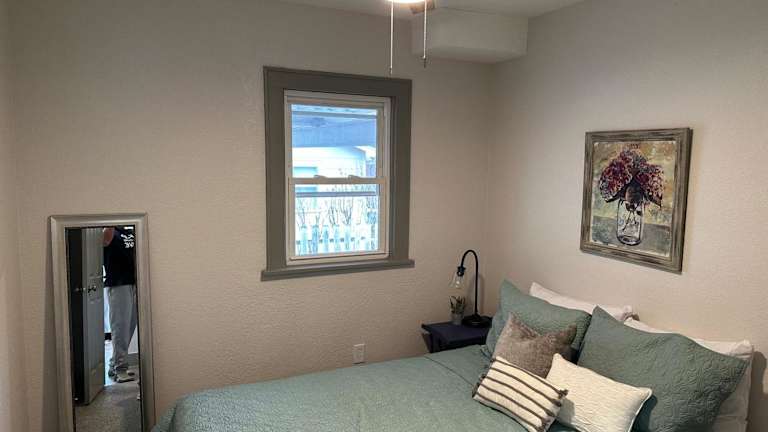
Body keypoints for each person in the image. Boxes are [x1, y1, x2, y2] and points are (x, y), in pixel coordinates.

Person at [103, 226, 138, 383]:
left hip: (134, 282)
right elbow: (105, 241)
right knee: (120, 327)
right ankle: (120, 368)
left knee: (130, 326)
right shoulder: (109, 231)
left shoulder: (130, 231)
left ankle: (114, 364)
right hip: (118, 284)